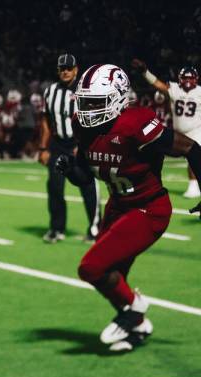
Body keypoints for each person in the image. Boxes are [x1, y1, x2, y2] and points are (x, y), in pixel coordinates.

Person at [57, 64, 201, 352]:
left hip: (148, 209)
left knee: (90, 268)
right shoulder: (82, 125)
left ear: (118, 99)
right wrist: (72, 172)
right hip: (118, 205)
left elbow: (191, 148)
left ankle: (135, 309)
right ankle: (137, 327)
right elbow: (88, 175)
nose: (88, 109)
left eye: (96, 103)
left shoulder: (135, 124)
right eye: (85, 102)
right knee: (111, 276)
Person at [38, 53, 100, 243]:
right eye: (62, 68)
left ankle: (96, 229)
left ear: (76, 69)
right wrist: (43, 148)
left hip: (79, 144)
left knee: (88, 187)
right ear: (58, 70)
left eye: (69, 68)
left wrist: (84, 145)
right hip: (58, 145)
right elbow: (46, 120)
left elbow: (94, 121)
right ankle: (57, 229)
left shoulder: (86, 91)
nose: (65, 71)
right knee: (55, 187)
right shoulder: (50, 92)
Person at [132, 59, 201, 199]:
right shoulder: (175, 89)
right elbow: (158, 85)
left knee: (195, 155)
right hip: (178, 131)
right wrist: (146, 72)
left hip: (196, 129)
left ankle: (194, 186)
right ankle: (150, 183)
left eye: (190, 78)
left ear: (196, 79)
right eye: (185, 78)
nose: (188, 80)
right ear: (180, 79)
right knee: (158, 155)